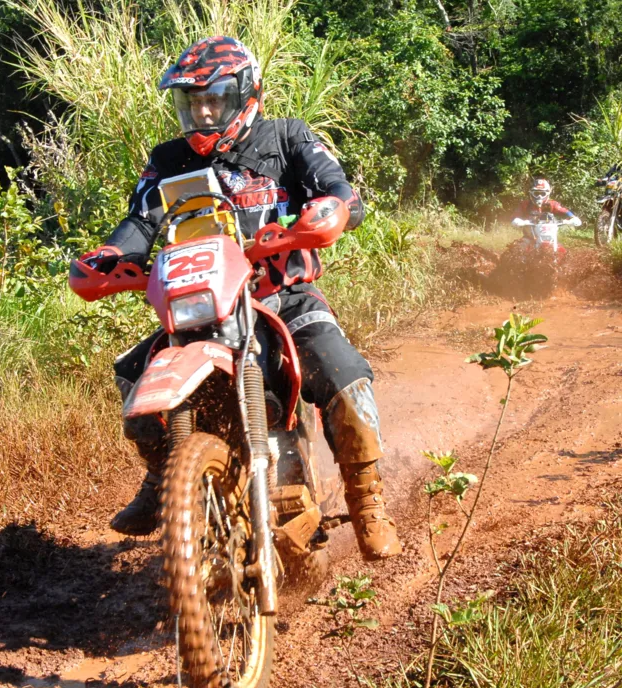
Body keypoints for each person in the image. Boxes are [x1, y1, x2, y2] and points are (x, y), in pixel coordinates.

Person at [80, 36, 402, 561]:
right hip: (200, 307)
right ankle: (164, 476)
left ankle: (367, 502)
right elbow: (141, 222)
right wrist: (111, 256)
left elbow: (341, 192)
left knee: (345, 377)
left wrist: (333, 210)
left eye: (214, 100)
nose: (202, 114)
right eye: (191, 103)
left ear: (245, 94)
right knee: (134, 377)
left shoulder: (286, 138)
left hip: (284, 297)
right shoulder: (167, 161)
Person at [511, 178, 582, 233]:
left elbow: (564, 211)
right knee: (519, 247)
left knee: (562, 251)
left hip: (550, 236)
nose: (539, 196)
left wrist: (573, 217)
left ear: (547, 194)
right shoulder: (525, 204)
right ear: (531, 194)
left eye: (542, 194)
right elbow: (516, 214)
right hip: (529, 237)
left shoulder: (553, 204)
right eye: (536, 193)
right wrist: (516, 220)